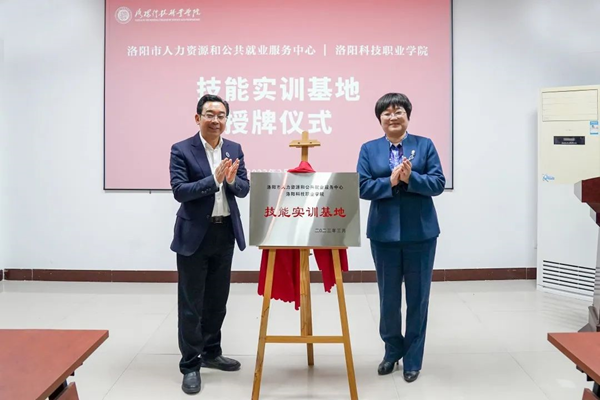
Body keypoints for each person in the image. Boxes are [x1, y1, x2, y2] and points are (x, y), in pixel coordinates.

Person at [356, 93, 445, 382]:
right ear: (379, 119)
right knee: (389, 298)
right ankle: (392, 351)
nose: (393, 117)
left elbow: (438, 183)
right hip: (383, 234)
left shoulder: (424, 145)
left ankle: (413, 359)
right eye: (387, 113)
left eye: (399, 112)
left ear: (408, 116)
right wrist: (391, 181)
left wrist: (411, 178)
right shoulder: (369, 149)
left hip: (421, 234)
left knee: (418, 299)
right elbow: (361, 187)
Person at [169, 94, 250, 395]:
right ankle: (190, 365)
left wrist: (230, 181)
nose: (216, 120)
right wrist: (213, 180)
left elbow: (244, 188)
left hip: (224, 232)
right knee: (192, 304)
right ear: (198, 118)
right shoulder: (181, 149)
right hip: (194, 236)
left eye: (221, 115)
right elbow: (180, 190)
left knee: (217, 301)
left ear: (226, 119)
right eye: (209, 114)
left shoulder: (234, 149)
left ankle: (211, 352)